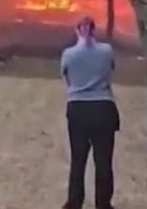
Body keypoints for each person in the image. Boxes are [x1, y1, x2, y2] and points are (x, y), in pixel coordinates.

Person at [60, 16, 119, 209]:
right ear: (94, 30)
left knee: (78, 159)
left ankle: (74, 202)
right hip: (103, 108)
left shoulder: (69, 54)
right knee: (103, 161)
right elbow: (111, 72)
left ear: (77, 30)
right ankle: (103, 204)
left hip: (78, 109)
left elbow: (67, 79)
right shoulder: (106, 51)